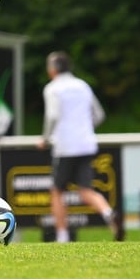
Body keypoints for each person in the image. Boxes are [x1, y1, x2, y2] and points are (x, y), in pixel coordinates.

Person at [37, 51, 123, 242]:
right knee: (86, 190)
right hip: (86, 143)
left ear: (52, 69)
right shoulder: (82, 85)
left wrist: (45, 138)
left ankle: (62, 235)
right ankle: (108, 213)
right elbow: (99, 115)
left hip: (65, 146)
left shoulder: (52, 88)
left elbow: (52, 116)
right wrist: (83, 128)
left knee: (57, 191)